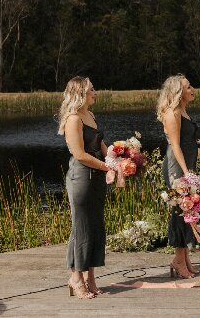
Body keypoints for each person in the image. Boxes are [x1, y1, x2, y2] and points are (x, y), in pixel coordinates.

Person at [57, 76, 111, 299]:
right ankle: (75, 278)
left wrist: (117, 160)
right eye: (91, 89)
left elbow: (100, 145)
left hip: (97, 177)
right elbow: (79, 154)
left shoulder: (90, 115)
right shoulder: (73, 119)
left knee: (95, 226)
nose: (95, 92)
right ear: (80, 93)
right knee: (81, 227)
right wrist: (106, 167)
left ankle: (90, 277)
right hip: (81, 177)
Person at [157, 74, 200, 279]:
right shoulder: (172, 113)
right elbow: (175, 145)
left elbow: (187, 139)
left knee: (188, 209)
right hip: (177, 166)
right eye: (188, 87)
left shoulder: (183, 111)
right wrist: (186, 173)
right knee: (180, 210)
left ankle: (185, 259)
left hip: (187, 163)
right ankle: (178, 259)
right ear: (178, 91)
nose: (192, 89)